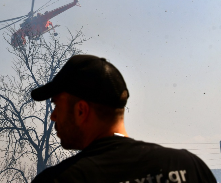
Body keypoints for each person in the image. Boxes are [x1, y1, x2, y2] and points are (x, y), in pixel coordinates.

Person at [31, 54, 216, 183]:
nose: (52, 116)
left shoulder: (58, 180)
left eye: (57, 106)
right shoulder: (188, 167)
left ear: (81, 111)